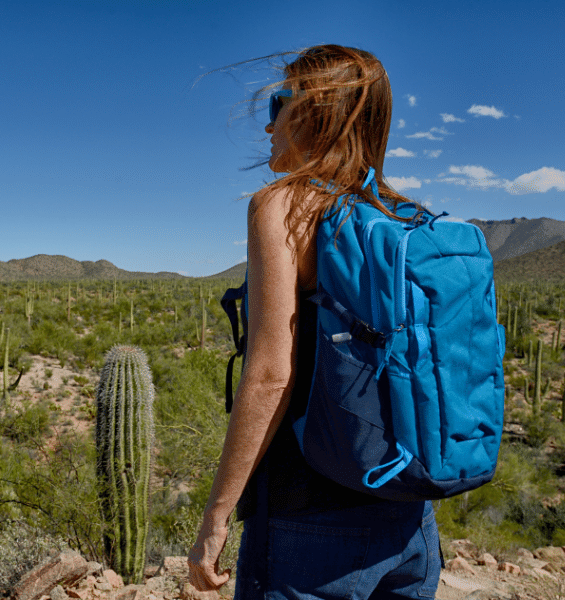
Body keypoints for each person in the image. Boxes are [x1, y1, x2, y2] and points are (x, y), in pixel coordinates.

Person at [187, 45, 443, 600]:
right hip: (410, 518)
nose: (270, 125)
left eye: (280, 104)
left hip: (308, 522)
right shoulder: (402, 216)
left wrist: (215, 519)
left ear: (317, 112)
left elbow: (270, 375)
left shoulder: (281, 205)